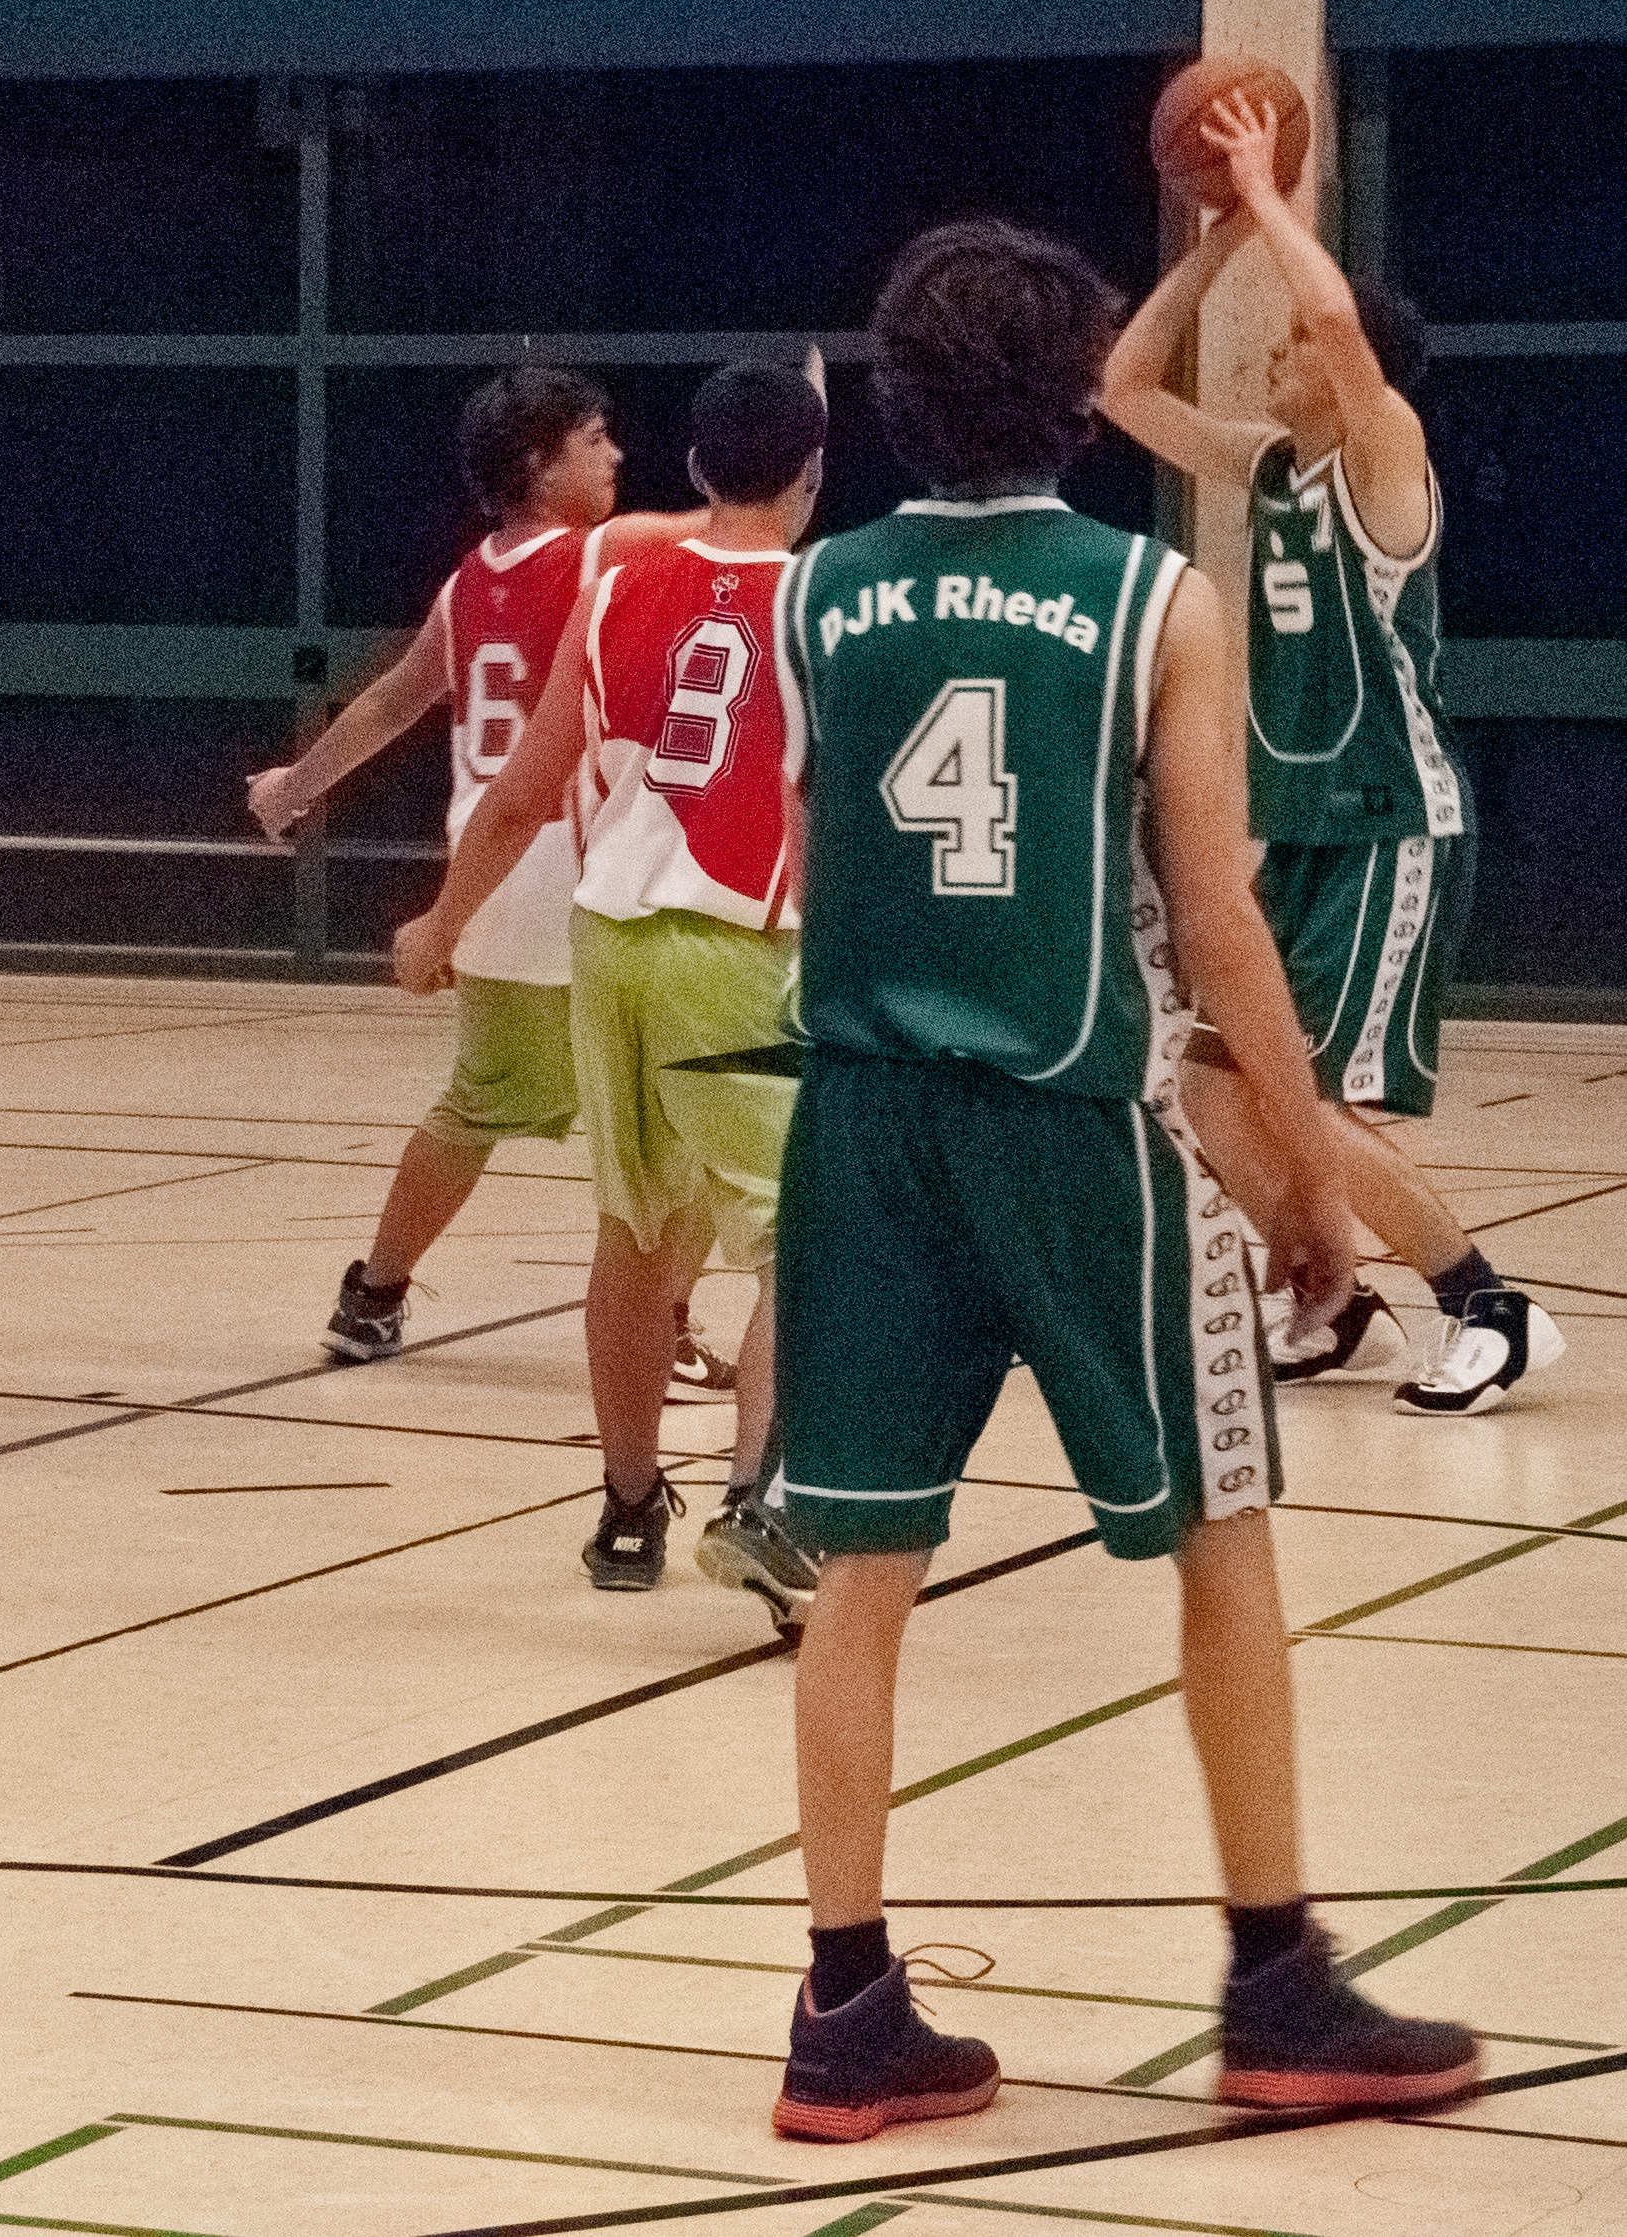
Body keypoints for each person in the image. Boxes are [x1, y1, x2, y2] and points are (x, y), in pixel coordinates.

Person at [766, 217, 1476, 2142]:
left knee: (861, 1574)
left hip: (861, 1123)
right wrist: (1304, 1171)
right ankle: (1277, 1982)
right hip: (1076, 1118)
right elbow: (1218, 917)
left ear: (897, 396)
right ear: (1079, 399)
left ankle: (843, 2009)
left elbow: (816, 859)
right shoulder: (1151, 596)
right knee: (1220, 1529)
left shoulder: (816, 595)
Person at [1102, 89, 1554, 1414]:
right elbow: (1124, 389)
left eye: (1295, 339)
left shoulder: (1384, 459)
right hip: (1300, 826)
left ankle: (1487, 1305)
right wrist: (1217, 244)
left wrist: (1269, 196)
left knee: (1317, 1097)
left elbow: (1348, 330)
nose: (1278, 350)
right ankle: (1332, 1296)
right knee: (1210, 1086)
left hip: (1388, 818)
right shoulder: (1272, 470)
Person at [393, 359, 824, 1623]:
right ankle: (765, 1503)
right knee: (809, 1239)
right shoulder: (822, 606)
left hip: (611, 937)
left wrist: (441, 921)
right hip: (741, 942)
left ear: (692, 468)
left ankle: (630, 1508)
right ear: (810, 476)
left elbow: (522, 792)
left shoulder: (616, 587)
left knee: (634, 1234)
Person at [250, 371, 730, 1387]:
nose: (615, 455)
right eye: (595, 439)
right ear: (536, 463)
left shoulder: (467, 583)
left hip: (489, 875)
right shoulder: (600, 552)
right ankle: (666, 1321)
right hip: (574, 858)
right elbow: (735, 518)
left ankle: (373, 1293)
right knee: (690, 1102)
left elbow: (389, 704)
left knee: (479, 1101)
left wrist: (295, 784)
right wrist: (795, 442)